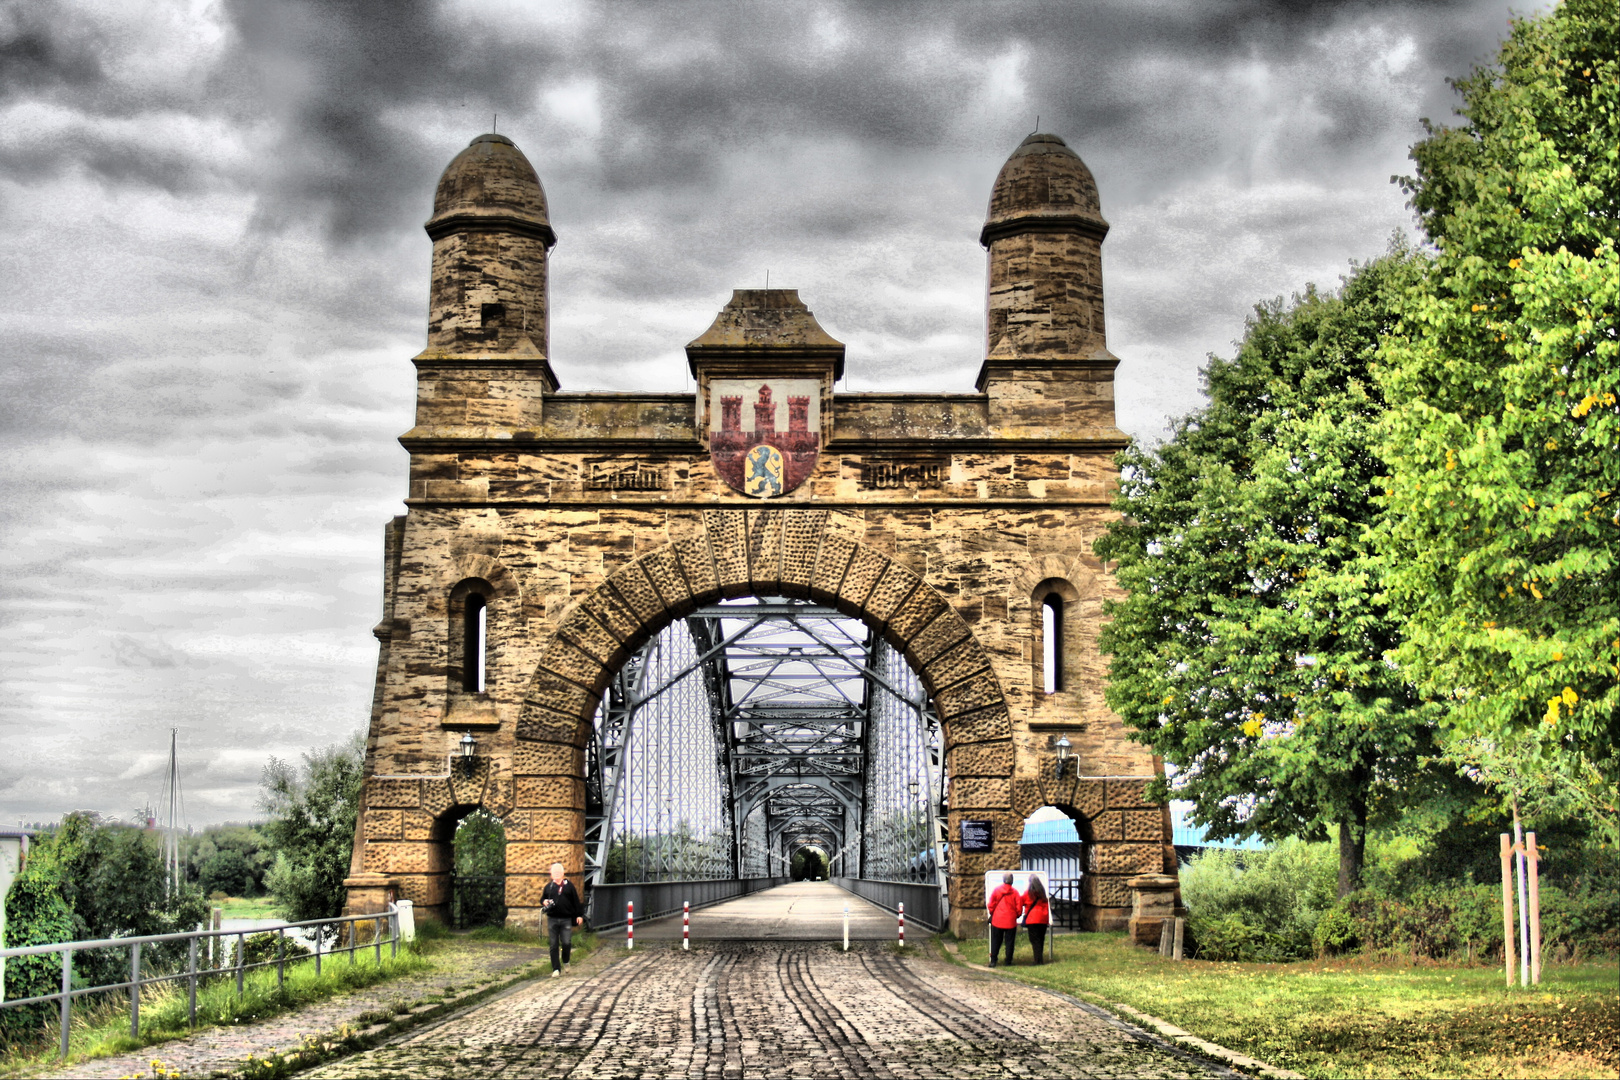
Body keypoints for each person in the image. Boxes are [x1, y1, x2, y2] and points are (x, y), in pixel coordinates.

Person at [541, 862, 584, 977]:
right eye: (554, 872)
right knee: (553, 944)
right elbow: (543, 899)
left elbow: (576, 901)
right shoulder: (549, 887)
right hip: (552, 919)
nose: (556, 874)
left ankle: (566, 960)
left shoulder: (569, 886)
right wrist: (544, 902)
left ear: (563, 873)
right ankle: (556, 969)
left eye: (558, 872)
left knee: (566, 942)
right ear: (551, 874)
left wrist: (579, 915)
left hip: (566, 919)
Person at [986, 872, 1022, 967]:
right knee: (1009, 942)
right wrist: (1016, 915)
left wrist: (992, 912)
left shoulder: (997, 891)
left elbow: (991, 905)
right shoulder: (1015, 892)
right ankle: (1008, 961)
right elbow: (1019, 908)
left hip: (997, 920)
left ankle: (993, 960)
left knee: (996, 941)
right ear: (1012, 881)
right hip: (1010, 921)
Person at [1023, 875, 1051, 964]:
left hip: (1032, 919)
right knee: (1041, 939)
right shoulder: (1043, 894)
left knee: (1034, 940)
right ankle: (1040, 959)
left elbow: (1022, 901)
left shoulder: (1028, 893)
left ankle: (1037, 960)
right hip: (1043, 918)